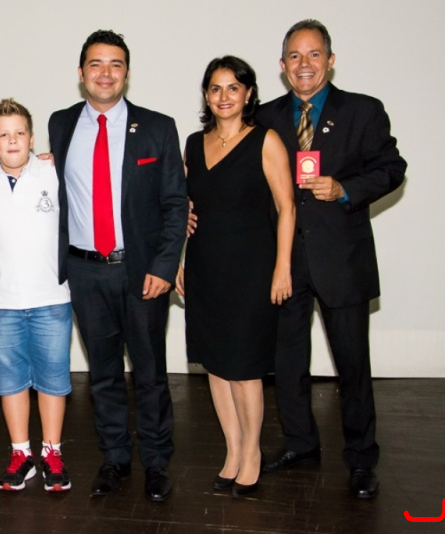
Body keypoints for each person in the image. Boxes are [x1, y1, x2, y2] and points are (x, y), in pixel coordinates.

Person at [256, 19, 407, 499]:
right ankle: (300, 444)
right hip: (283, 261)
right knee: (288, 363)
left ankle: (361, 458)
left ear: (331, 60)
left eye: (314, 54)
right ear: (282, 66)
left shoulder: (362, 111)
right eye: (294, 56)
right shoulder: (264, 116)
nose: (304, 64)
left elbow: (392, 168)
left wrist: (345, 189)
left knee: (352, 366)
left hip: (342, 260)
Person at [49, 30, 187, 502]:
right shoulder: (61, 124)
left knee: (150, 374)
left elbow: (175, 203)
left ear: (127, 73)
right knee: (103, 375)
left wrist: (164, 267)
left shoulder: (157, 127)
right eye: (95, 64)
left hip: (141, 272)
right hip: (85, 272)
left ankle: (156, 462)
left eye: (115, 64)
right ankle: (114, 459)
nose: (105, 73)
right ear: (81, 72)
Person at [176, 56, 295, 498]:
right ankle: (232, 450)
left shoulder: (265, 140)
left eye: (233, 87)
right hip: (205, 267)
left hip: (252, 271)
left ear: (248, 94)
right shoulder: (193, 144)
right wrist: (178, 259)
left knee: (243, 368)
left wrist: (283, 267)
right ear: (206, 95)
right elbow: (183, 207)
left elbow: (287, 207)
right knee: (216, 365)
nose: (223, 96)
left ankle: (253, 453)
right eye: (215, 88)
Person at [0, 98, 73, 493]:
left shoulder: (53, 172)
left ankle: (52, 452)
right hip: (2, 304)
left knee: (53, 381)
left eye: (20, 133)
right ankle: (21, 454)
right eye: (3, 135)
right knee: (11, 382)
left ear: (32, 138)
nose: (12, 140)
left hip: (52, 299)